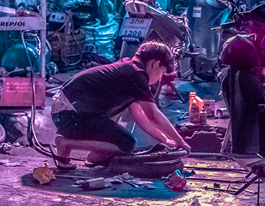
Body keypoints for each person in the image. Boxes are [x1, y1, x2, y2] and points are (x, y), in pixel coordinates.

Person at [52, 41, 191, 169]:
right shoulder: (136, 75)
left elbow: (138, 114)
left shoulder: (130, 69)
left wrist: (166, 140)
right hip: (69, 116)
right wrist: (180, 141)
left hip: (67, 114)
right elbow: (153, 116)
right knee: (126, 144)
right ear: (155, 64)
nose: (159, 79)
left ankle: (94, 155)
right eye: (161, 73)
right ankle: (66, 144)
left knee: (123, 139)